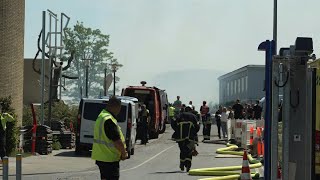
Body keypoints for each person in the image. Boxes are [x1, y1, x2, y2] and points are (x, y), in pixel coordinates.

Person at [91, 96, 127, 180]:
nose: (119, 111)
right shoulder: (108, 120)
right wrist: (123, 153)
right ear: (116, 107)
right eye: (119, 108)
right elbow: (117, 141)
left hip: (102, 158)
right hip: (110, 159)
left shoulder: (101, 116)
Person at [172, 105, 200, 172]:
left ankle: (182, 163)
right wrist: (194, 133)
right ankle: (188, 165)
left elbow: (173, 122)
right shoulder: (193, 116)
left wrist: (177, 130)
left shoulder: (180, 115)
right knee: (189, 151)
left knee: (182, 150)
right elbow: (197, 126)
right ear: (191, 110)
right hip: (190, 137)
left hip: (180, 137)